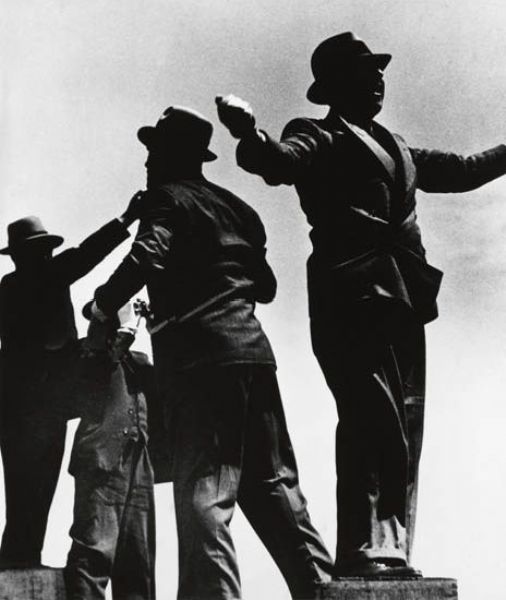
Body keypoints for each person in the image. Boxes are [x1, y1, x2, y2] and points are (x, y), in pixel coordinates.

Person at [215, 31, 506, 577]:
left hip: (403, 296)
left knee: (406, 428)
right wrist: (249, 133)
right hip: (349, 296)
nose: (378, 80)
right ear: (333, 85)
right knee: (370, 419)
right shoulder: (317, 134)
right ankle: (361, 548)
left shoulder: (398, 146)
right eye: (365, 71)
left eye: (380, 72)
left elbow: (464, 171)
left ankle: (391, 547)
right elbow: (278, 162)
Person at [89, 105, 333, 599]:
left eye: (154, 151)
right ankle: (324, 590)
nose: (147, 161)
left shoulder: (166, 198)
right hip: (253, 354)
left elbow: (147, 255)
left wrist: (102, 303)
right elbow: (266, 287)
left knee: (205, 490)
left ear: (170, 155)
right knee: (276, 486)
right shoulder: (241, 210)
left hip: (199, 361)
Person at [0, 197, 143, 568]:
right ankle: (19, 561)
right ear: (29, 255)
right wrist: (126, 219)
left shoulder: (10, 287)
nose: (47, 256)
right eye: (41, 250)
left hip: (19, 405)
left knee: (24, 488)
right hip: (38, 405)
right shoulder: (43, 276)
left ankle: (20, 559)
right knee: (36, 485)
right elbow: (86, 254)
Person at [64, 301, 155, 600]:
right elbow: (99, 365)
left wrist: (156, 324)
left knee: (138, 566)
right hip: (101, 463)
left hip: (138, 469)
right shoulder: (87, 354)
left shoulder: (138, 362)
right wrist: (126, 327)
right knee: (94, 555)